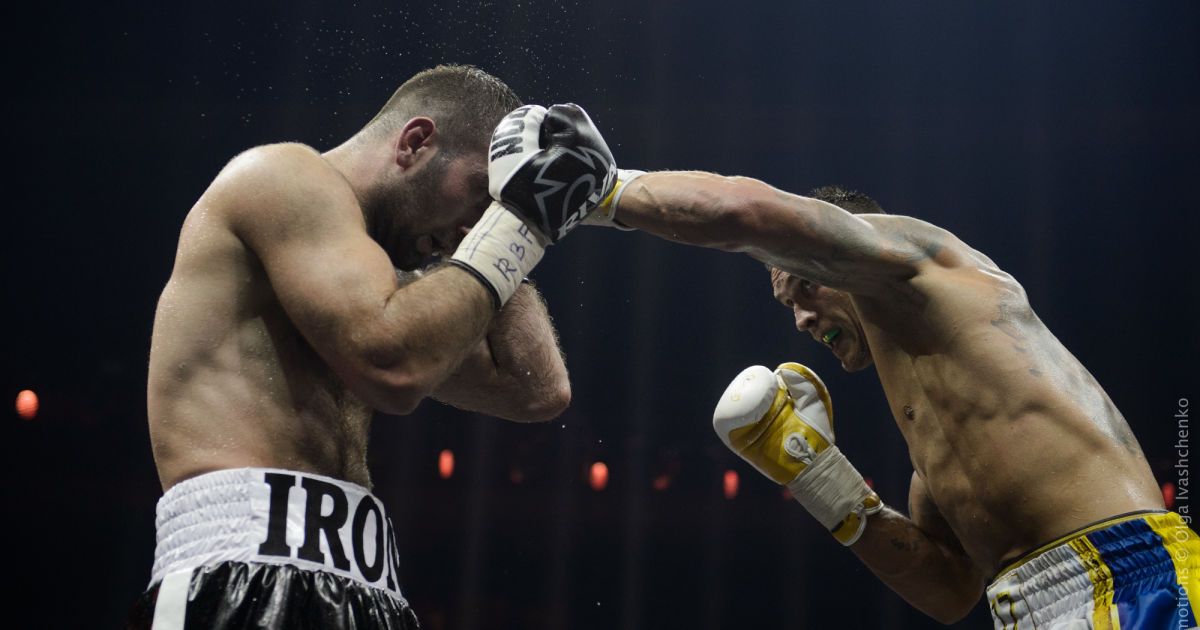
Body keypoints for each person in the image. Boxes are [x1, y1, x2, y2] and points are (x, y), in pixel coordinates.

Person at [590, 166, 1198, 627]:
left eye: (805, 286)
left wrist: (608, 190)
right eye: (788, 305)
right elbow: (951, 592)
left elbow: (750, 213)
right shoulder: (934, 438)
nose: (801, 318)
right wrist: (818, 478)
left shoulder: (920, 261)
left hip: (1130, 577)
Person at [129, 66, 619, 629]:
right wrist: (518, 218)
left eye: (490, 213)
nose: (473, 231)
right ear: (414, 143)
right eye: (479, 194)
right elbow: (391, 364)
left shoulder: (385, 285)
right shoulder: (282, 177)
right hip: (239, 571)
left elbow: (535, 388)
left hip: (370, 589)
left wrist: (525, 223)